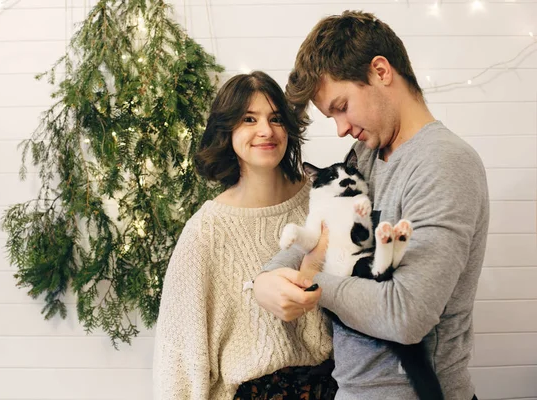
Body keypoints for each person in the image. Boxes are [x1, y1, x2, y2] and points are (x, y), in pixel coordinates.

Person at [253, 11, 488, 400]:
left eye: (341, 106)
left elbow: (404, 316)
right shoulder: (364, 153)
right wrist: (267, 277)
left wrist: (307, 281)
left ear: (380, 71)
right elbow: (320, 232)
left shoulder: (444, 163)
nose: (341, 128)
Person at [152, 70, 337, 399]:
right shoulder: (205, 233)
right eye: (249, 119)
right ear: (227, 131)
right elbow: (177, 360)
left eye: (276, 118)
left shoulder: (323, 201)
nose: (266, 131)